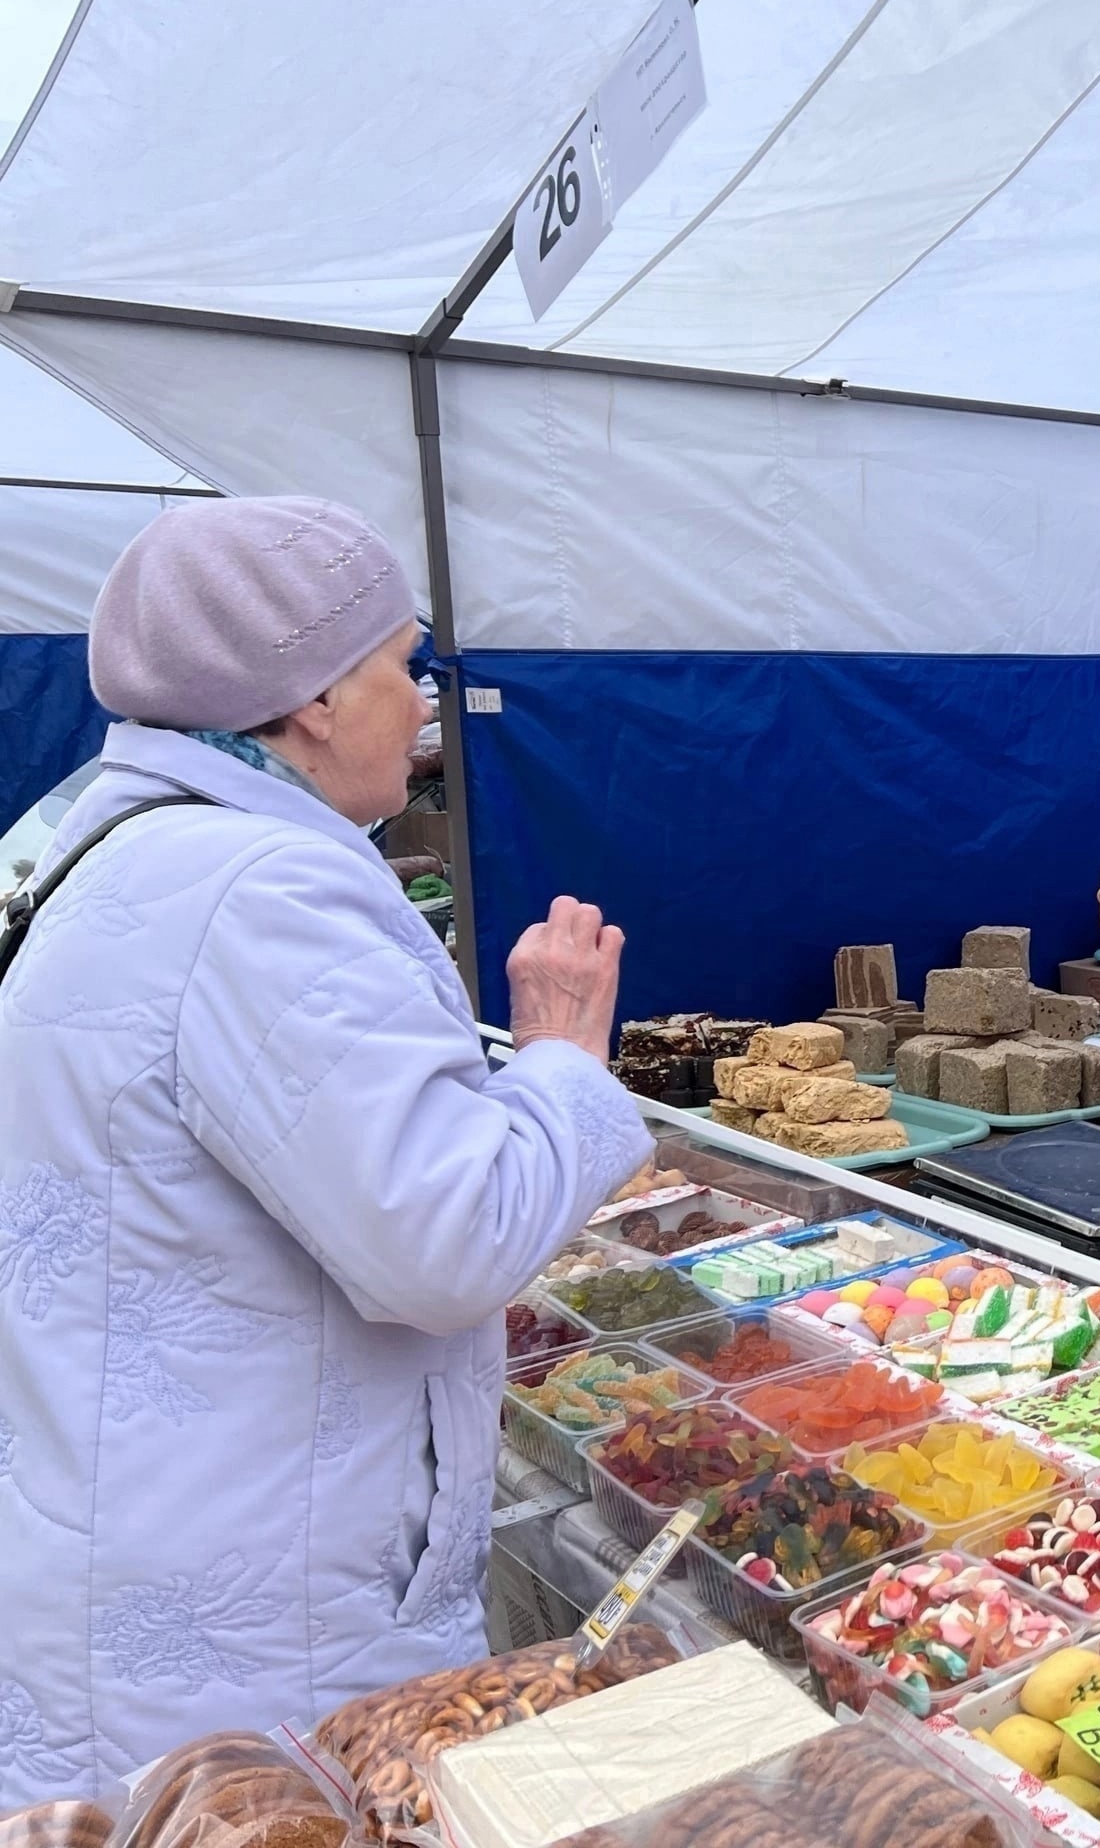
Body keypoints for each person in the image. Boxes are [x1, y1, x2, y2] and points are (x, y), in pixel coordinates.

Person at [0, 497, 652, 1804]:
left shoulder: (88, 843)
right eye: (401, 665)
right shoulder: (256, 892)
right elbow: (445, 1242)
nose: (421, 702)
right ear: (308, 702)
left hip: (139, 1543)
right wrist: (564, 1055)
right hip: (247, 1615)